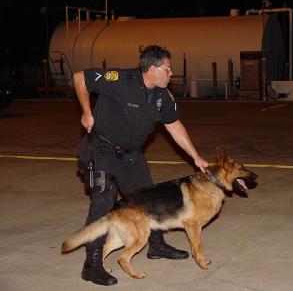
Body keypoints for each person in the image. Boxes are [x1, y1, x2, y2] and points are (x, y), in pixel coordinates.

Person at [73, 44, 208, 286]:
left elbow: (175, 127)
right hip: (101, 149)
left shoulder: (162, 97)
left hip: (132, 155)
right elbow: (80, 77)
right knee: (103, 203)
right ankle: (92, 265)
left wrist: (195, 157)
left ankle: (156, 246)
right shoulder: (120, 80)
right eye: (167, 68)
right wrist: (86, 111)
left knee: (151, 199)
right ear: (153, 68)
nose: (171, 72)